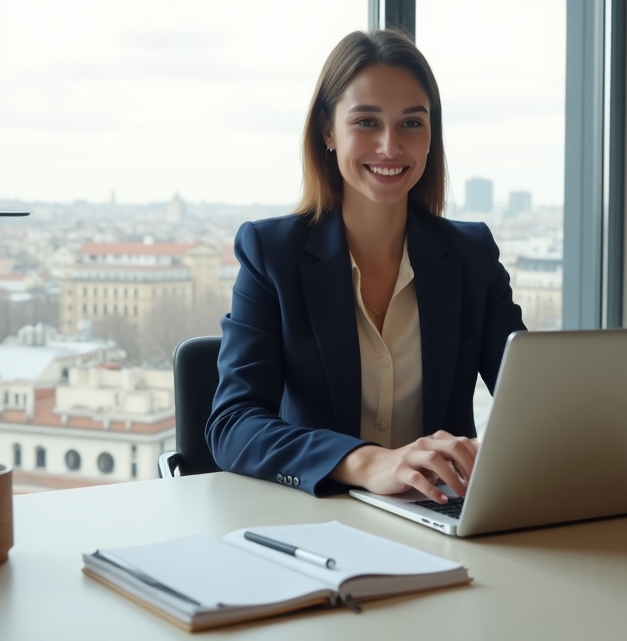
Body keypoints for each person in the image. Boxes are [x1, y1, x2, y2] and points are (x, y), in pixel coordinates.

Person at [206, 28, 526, 503]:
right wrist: (369, 461)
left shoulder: (472, 254)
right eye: (367, 122)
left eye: (411, 124)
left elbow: (534, 407)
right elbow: (233, 426)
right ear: (328, 131)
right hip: (320, 518)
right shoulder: (271, 252)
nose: (390, 146)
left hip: (445, 514)